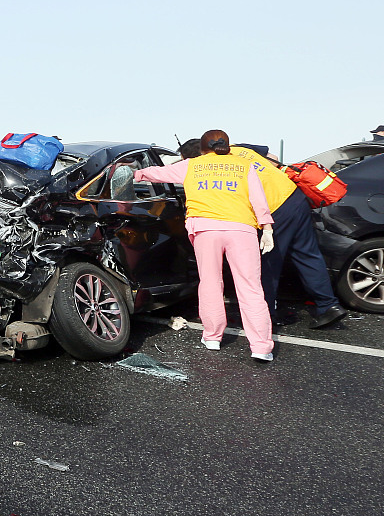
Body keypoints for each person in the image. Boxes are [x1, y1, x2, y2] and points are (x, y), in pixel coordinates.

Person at [135, 130, 276, 361]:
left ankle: (212, 337)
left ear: (202, 149)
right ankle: (261, 347)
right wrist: (267, 228)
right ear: (227, 147)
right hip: (241, 229)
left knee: (210, 283)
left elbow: (158, 174)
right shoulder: (244, 165)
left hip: (205, 230)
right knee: (250, 287)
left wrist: (133, 173)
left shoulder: (192, 165)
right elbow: (258, 199)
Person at [181, 141, 347, 329]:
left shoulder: (211, 167)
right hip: (294, 197)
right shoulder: (238, 147)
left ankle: (266, 315)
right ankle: (328, 306)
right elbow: (274, 160)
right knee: (307, 254)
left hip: (275, 210)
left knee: (267, 263)